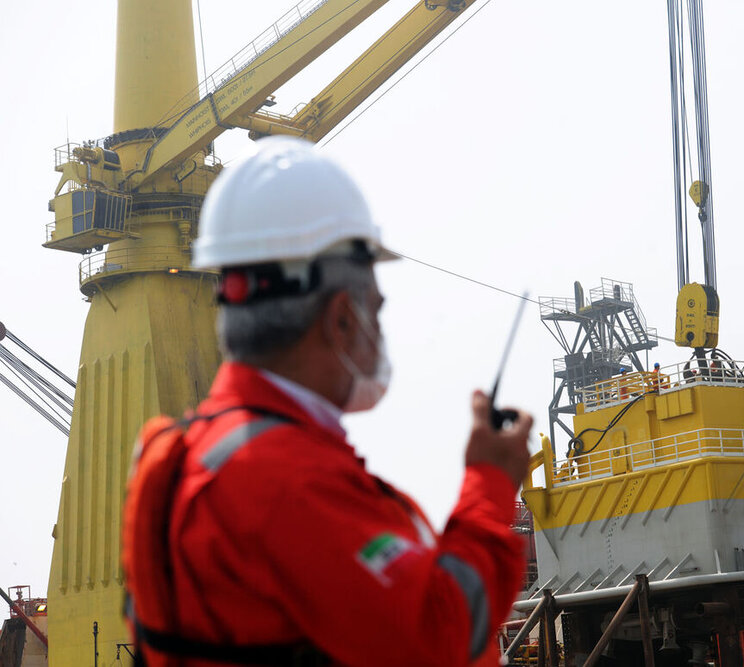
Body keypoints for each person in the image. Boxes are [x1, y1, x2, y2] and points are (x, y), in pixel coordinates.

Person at [122, 137, 533, 666]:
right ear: (342, 320)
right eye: (375, 311)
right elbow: (440, 631)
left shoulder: (206, 452)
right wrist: (490, 483)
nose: (381, 330)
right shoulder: (282, 481)